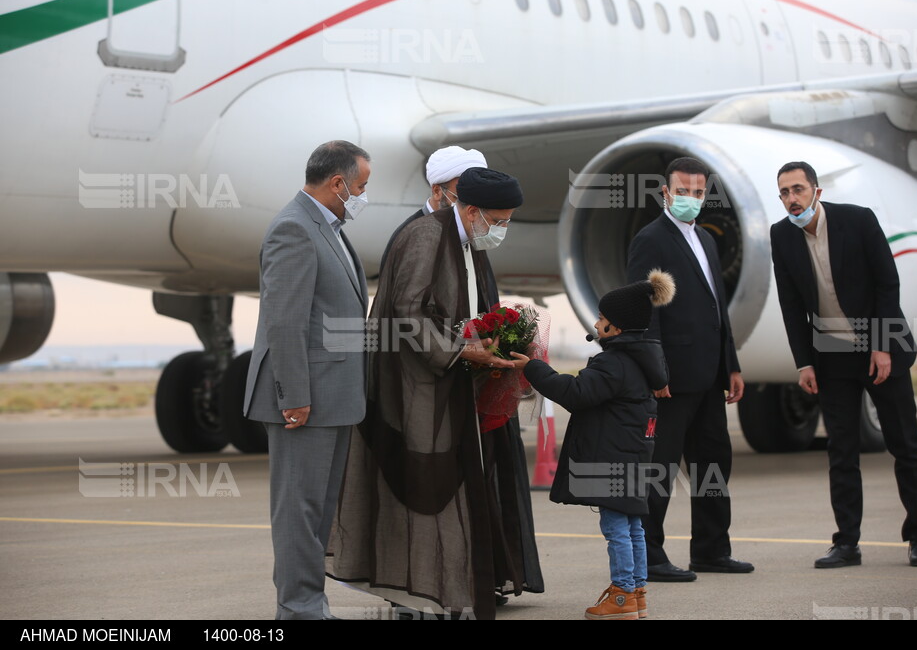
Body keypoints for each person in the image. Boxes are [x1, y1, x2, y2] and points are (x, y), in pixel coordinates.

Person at [327, 166, 541, 619]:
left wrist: (490, 342)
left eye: (506, 221)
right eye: (496, 220)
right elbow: (408, 314)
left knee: (453, 493)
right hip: (414, 391)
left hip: (454, 386)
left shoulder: (469, 242)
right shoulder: (425, 236)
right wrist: (461, 352)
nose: (500, 230)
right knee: (420, 491)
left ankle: (444, 593)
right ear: (468, 209)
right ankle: (413, 597)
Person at [769, 161, 917, 568]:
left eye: (798, 190)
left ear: (816, 191)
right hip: (831, 355)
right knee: (841, 453)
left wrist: (881, 346)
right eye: (784, 193)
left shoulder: (858, 220)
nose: (792, 199)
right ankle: (846, 543)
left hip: (883, 348)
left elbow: (886, 283)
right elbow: (790, 304)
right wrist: (803, 363)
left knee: (905, 446)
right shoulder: (780, 236)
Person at [243, 140, 371, 619]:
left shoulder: (328, 227)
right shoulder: (294, 229)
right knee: (298, 511)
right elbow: (284, 322)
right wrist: (293, 396)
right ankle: (298, 610)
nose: (362, 194)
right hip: (306, 401)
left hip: (334, 397)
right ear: (337, 183)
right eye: (360, 186)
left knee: (315, 512)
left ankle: (307, 605)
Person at [515, 272, 674, 619]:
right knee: (633, 527)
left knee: (616, 528)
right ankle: (636, 593)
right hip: (633, 455)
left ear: (615, 328)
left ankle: (621, 596)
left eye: (602, 318)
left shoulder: (614, 363)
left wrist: (534, 368)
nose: (596, 322)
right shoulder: (643, 361)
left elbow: (575, 393)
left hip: (612, 457)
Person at [626, 156, 753, 582]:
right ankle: (651, 556)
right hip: (672, 379)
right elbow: (643, 312)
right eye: (683, 191)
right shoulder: (651, 239)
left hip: (710, 374)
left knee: (713, 466)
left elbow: (718, 309)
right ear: (665, 192)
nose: (691, 199)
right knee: (659, 470)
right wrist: (655, 372)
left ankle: (712, 550)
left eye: (698, 193)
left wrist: (731, 364)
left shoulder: (707, 240)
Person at [378, 145, 487, 276]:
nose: (468, 208)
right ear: (437, 191)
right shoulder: (413, 238)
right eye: (460, 198)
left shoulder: (470, 233)